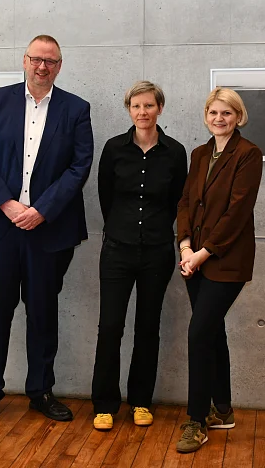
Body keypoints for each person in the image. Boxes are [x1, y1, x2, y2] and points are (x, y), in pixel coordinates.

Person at [0, 34, 94, 426]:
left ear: (60, 65)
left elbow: (80, 165)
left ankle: (40, 391)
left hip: (48, 230)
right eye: (37, 59)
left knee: (43, 314)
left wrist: (40, 210)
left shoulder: (76, 108)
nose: (43, 67)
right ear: (24, 61)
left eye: (51, 61)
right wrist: (7, 204)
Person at [90, 81, 188, 431]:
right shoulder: (114, 149)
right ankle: (104, 404)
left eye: (149, 106)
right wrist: (122, 228)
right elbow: (106, 196)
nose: (143, 112)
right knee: (110, 327)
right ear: (128, 110)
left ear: (160, 108)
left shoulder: (175, 152)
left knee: (148, 327)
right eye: (136, 106)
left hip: (157, 252)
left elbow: (178, 199)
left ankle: (141, 402)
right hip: (117, 249)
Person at [174, 87, 263, 453]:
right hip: (193, 257)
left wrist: (203, 253)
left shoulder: (248, 154)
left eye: (227, 113)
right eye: (213, 112)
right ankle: (222, 409)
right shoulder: (198, 154)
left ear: (238, 116)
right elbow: (184, 202)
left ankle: (196, 421)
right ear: (206, 115)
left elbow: (237, 213)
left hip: (226, 261)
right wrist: (184, 246)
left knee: (199, 334)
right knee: (212, 332)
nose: (219, 119)